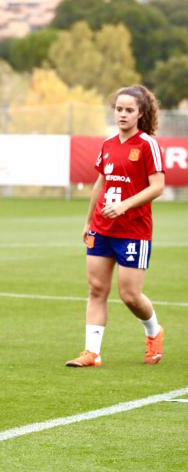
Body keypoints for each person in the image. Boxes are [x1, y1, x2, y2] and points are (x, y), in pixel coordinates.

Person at [66, 85, 165, 368]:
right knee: (96, 289)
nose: (122, 114)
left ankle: (153, 331)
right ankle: (92, 353)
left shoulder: (147, 145)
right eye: (119, 109)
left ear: (140, 113)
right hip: (102, 228)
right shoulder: (108, 144)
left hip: (133, 230)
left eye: (129, 110)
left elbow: (157, 186)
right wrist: (88, 221)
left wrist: (125, 205)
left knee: (130, 295)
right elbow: (101, 183)